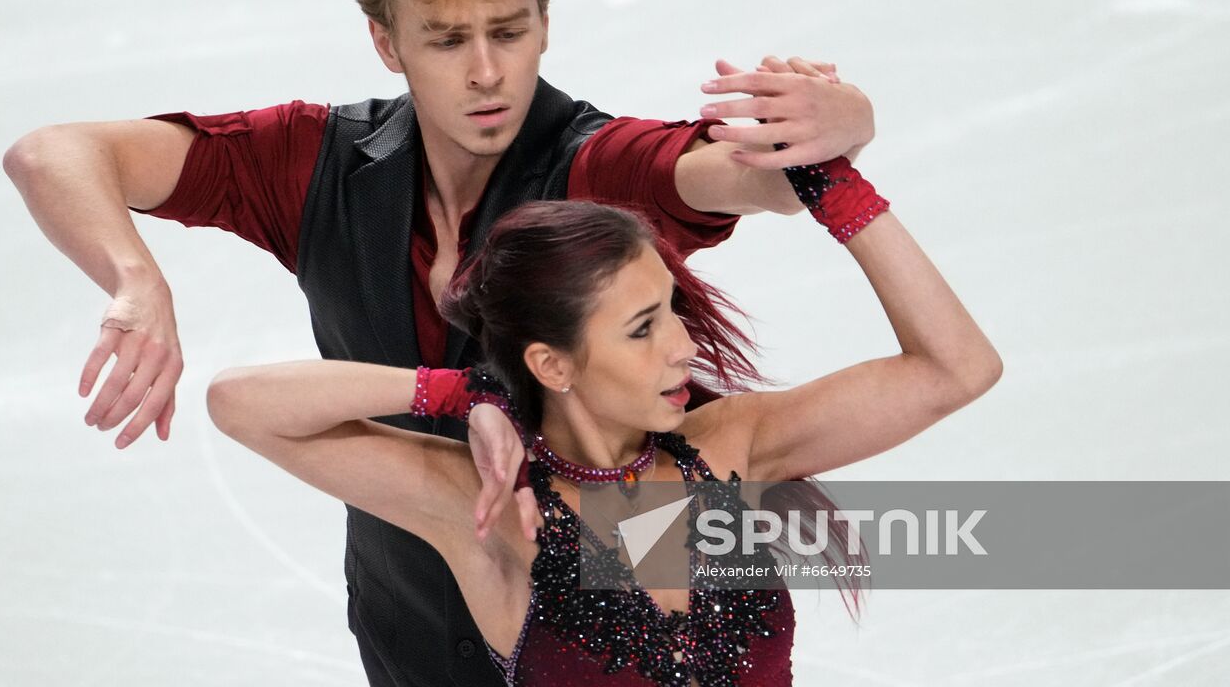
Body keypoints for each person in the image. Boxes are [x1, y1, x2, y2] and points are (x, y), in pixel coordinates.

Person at [2, 0, 876, 685]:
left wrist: (839, 129)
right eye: (449, 40)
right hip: (406, 627)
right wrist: (134, 278)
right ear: (388, 41)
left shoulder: (598, 166)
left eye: (509, 30)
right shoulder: (315, 164)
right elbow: (54, 153)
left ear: (544, 22)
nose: (487, 72)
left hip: (601, 631)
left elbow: (743, 175)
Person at [205, 161, 1002, 686]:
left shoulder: (733, 447)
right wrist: (457, 393)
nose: (683, 347)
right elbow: (239, 403)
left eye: (672, 313)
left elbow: (956, 368)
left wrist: (828, 181)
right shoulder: (489, 511)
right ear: (554, 365)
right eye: (642, 328)